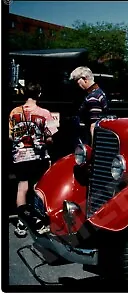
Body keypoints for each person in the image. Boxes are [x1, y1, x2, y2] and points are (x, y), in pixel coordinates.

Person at [9, 82, 58, 237]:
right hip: (39, 156)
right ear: (39, 94)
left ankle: (22, 223)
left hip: (20, 155)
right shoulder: (45, 113)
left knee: (22, 188)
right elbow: (50, 137)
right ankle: (38, 220)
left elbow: (10, 135)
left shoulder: (14, 112)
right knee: (38, 187)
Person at [69, 66, 108, 145]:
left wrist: (93, 149)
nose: (77, 85)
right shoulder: (99, 92)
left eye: (77, 81)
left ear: (84, 79)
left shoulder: (93, 97)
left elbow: (94, 125)